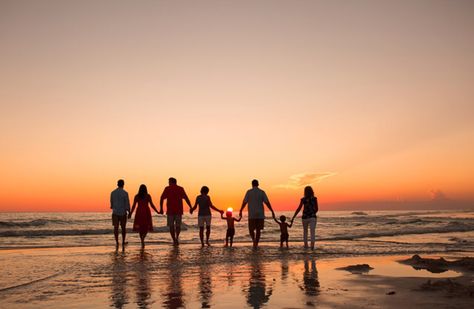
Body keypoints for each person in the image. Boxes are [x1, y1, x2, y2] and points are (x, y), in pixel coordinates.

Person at [239, 179, 276, 248]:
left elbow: (244, 202)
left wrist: (241, 210)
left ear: (252, 184)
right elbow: (267, 202)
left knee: (251, 229)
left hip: (252, 214)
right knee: (258, 230)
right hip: (260, 214)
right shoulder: (262, 192)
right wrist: (272, 211)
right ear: (258, 184)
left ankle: (254, 241)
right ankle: (256, 243)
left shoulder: (249, 192)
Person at [159, 177, 192, 245]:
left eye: (169, 182)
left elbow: (161, 198)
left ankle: (174, 240)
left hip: (170, 211)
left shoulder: (167, 188)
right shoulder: (180, 188)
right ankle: (176, 237)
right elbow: (186, 198)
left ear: (171, 182)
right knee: (178, 226)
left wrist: (161, 208)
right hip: (178, 210)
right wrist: (190, 207)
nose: (168, 183)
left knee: (171, 226)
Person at [291, 186, 319, 250]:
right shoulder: (314, 198)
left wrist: (294, 216)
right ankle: (312, 246)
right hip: (312, 217)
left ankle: (306, 246)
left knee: (305, 232)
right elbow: (317, 209)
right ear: (312, 191)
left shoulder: (303, 199)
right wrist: (313, 213)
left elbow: (299, 208)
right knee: (312, 232)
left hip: (305, 217)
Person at [110, 179, 130, 249]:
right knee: (123, 228)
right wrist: (129, 212)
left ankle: (117, 242)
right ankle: (123, 241)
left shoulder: (112, 193)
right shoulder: (125, 193)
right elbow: (127, 204)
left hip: (115, 212)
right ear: (123, 184)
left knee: (116, 228)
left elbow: (111, 204)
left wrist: (114, 207)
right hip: (123, 212)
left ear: (117, 184)